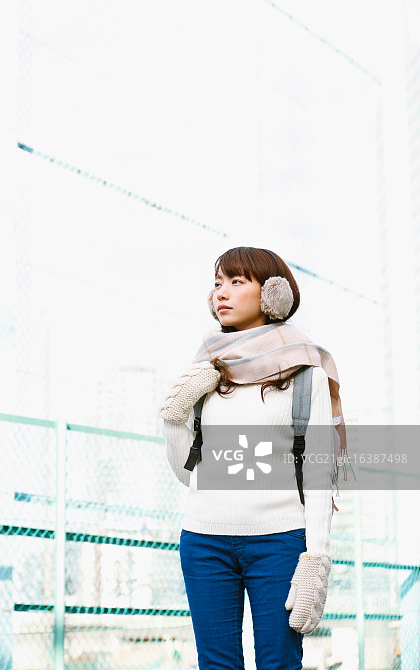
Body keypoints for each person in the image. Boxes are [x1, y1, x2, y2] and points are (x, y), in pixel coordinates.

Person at [159, 246, 348, 670]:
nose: (221, 293)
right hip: (204, 541)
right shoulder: (205, 371)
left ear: (272, 295)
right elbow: (187, 475)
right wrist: (174, 419)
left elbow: (319, 472)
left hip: (280, 542)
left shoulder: (307, 375)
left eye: (236, 281)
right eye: (217, 283)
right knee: (216, 664)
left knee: (279, 663)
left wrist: (315, 560)